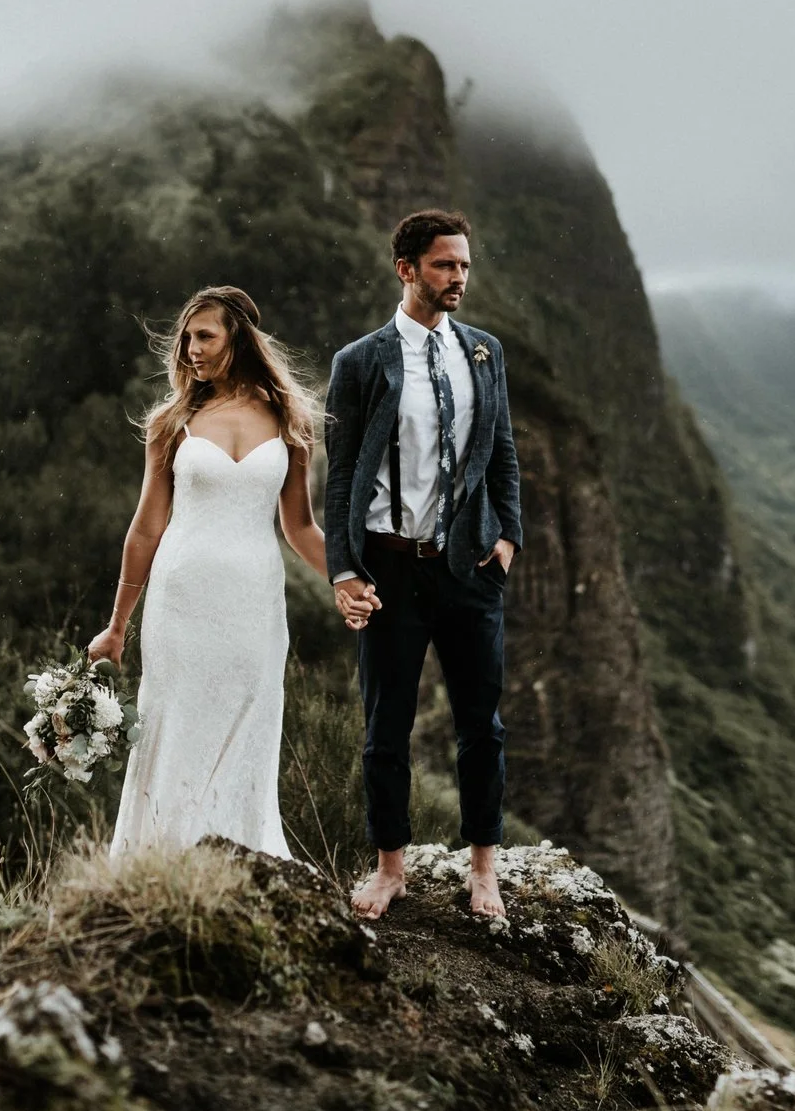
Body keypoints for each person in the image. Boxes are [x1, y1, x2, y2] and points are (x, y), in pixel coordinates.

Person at [324, 208, 521, 920]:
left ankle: (485, 871)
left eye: (464, 265)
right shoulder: (360, 361)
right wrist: (345, 570)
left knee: (482, 726)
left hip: (471, 566)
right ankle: (389, 868)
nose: (458, 277)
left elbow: (502, 452)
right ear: (406, 269)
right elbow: (341, 472)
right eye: (445, 265)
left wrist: (507, 540)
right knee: (386, 725)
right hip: (391, 566)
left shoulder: (485, 352)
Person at [87, 285, 332, 858]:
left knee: (249, 722)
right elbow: (147, 526)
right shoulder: (173, 421)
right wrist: (117, 624)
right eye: (187, 338)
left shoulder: (291, 420)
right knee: (174, 728)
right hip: (181, 599)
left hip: (254, 603)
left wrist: (349, 579)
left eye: (205, 336)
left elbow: (299, 528)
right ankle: (161, 865)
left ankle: (244, 863)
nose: (191, 349)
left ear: (238, 339)